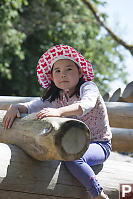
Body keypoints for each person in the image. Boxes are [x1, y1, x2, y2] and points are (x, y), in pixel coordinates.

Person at [2, 44, 111, 199]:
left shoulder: (88, 88)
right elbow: (34, 106)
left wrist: (59, 112)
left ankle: (97, 192)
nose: (63, 75)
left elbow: (86, 105)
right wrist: (17, 107)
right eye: (57, 71)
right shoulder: (57, 97)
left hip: (99, 143)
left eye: (69, 69)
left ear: (80, 72)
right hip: (73, 141)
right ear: (52, 77)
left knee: (72, 156)